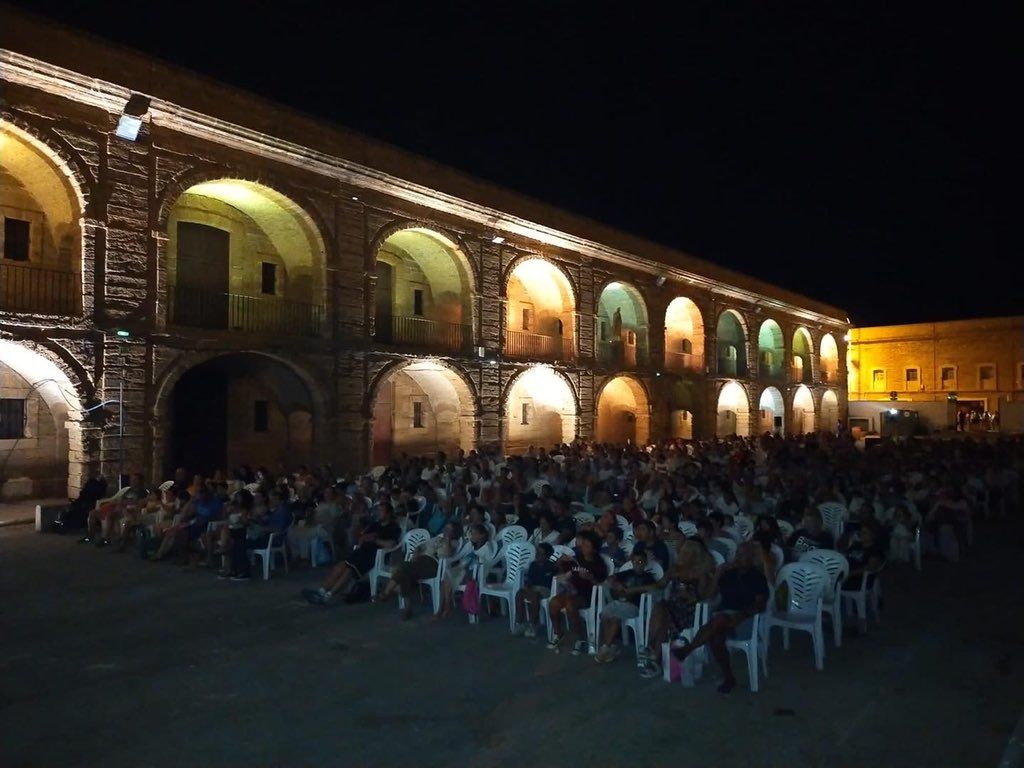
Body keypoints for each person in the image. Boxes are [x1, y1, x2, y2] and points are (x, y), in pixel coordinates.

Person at [670, 542, 770, 693]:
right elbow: (709, 595)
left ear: (751, 558)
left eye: (743, 555)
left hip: (746, 620)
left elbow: (760, 605)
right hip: (723, 619)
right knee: (716, 635)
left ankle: (688, 649)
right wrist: (717, 575)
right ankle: (729, 678)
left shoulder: (757, 577)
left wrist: (741, 615)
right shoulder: (729, 574)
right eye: (738, 554)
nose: (738, 558)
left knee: (719, 620)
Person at [638, 539, 717, 677]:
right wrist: (639, 587)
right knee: (661, 609)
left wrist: (689, 596)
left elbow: (704, 598)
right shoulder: (675, 569)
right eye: (682, 552)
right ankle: (655, 658)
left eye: (687, 553)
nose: (682, 555)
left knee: (663, 613)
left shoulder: (701, 573)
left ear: (695, 556)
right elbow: (660, 585)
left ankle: (650, 648)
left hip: (690, 611)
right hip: (672, 607)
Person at [303, 503, 401, 604]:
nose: (378, 513)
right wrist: (362, 539)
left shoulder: (393, 527)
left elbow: (391, 544)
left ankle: (327, 596)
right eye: (378, 511)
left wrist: (375, 540)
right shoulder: (375, 524)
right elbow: (362, 536)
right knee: (340, 566)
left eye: (382, 511)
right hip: (361, 552)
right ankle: (321, 591)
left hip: (375, 556)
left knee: (349, 570)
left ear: (389, 513)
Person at [376, 522, 463, 619]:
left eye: (449, 529)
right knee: (404, 574)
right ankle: (406, 608)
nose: (446, 530)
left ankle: (388, 593)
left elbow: (447, 554)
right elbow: (421, 545)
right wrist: (416, 552)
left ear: (454, 532)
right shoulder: (437, 538)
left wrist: (447, 539)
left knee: (403, 567)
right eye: (445, 528)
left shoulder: (454, 542)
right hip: (421, 561)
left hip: (434, 566)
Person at [546, 530, 609, 655]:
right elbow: (563, 573)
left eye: (587, 546)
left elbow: (601, 585)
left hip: (588, 596)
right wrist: (560, 562)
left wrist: (590, 578)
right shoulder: (577, 559)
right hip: (571, 592)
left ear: (594, 548)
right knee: (553, 603)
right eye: (583, 545)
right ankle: (558, 633)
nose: (583, 548)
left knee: (570, 605)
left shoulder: (599, 564)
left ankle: (580, 639)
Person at [595, 549, 658, 663]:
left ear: (645, 563)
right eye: (634, 561)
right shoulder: (628, 572)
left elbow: (654, 587)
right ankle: (611, 646)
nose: (637, 564)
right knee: (604, 615)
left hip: (634, 606)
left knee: (615, 617)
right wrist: (617, 584)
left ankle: (605, 647)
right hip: (620, 602)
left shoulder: (647, 576)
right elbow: (611, 578)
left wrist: (634, 590)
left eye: (640, 562)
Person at [512, 542, 559, 637]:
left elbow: (554, 581)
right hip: (533, 587)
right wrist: (527, 587)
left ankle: (533, 624)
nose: (537, 555)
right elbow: (530, 579)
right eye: (537, 552)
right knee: (519, 594)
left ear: (547, 555)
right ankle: (520, 622)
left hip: (545, 589)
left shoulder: (551, 566)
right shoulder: (533, 565)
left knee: (534, 596)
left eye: (541, 553)